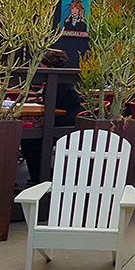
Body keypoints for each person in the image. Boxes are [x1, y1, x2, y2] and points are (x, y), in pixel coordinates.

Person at [20, 49, 80, 184]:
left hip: (61, 125)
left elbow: (53, 104)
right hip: (68, 123)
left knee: (29, 141)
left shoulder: (56, 81)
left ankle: (41, 177)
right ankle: (44, 176)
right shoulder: (65, 80)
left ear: (50, 66)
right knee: (31, 140)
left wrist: (40, 101)